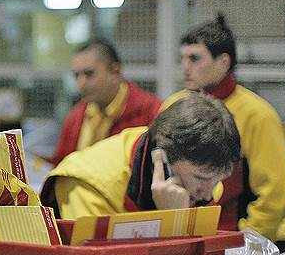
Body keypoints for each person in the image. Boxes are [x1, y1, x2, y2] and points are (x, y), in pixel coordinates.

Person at [161, 15, 285, 241]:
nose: (185, 67)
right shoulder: (172, 107)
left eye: (194, 58)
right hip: (179, 235)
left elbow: (279, 193)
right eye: (182, 58)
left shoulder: (257, 114)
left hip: (233, 240)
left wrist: (248, 239)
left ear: (224, 62)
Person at [42, 93, 241, 220]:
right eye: (200, 178)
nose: (207, 194)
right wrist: (171, 220)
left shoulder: (205, 183)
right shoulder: (87, 186)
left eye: (217, 181)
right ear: (163, 161)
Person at [51, 39, 161, 165]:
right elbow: (59, 165)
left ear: (115, 72)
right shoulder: (75, 117)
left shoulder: (150, 112)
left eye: (89, 74)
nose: (81, 84)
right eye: (76, 76)